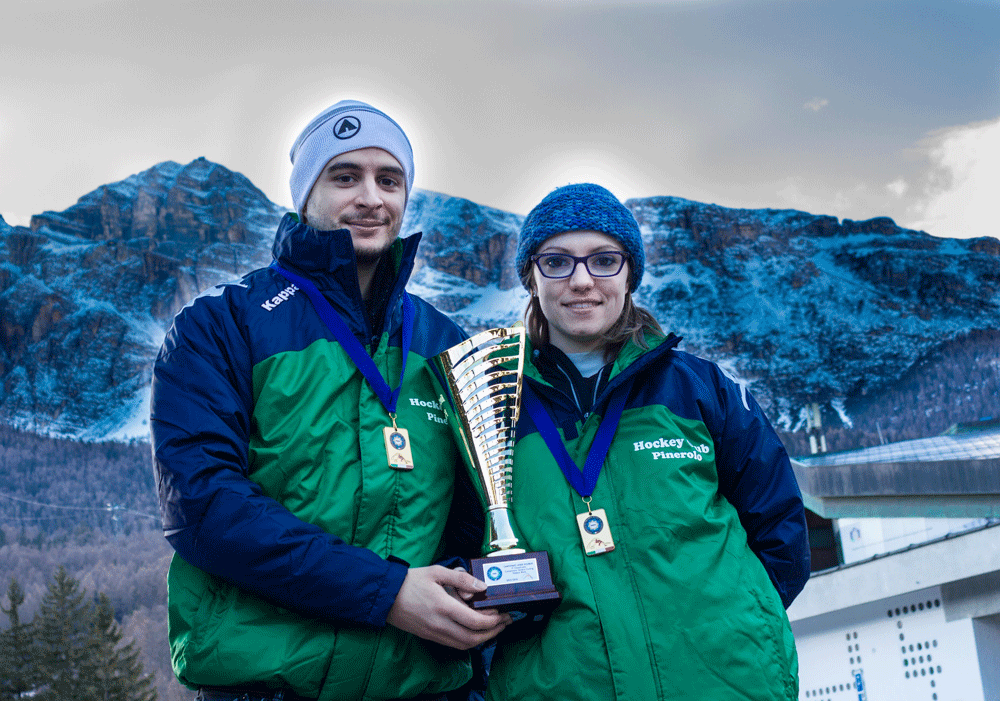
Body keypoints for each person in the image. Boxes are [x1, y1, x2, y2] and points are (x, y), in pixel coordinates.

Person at [150, 99, 508, 701]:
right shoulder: (220, 326)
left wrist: (489, 600)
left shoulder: (451, 346)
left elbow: (480, 519)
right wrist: (387, 593)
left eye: (388, 179)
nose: (371, 197)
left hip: (421, 688)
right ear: (305, 193)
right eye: (345, 176)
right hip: (267, 686)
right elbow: (204, 507)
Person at [484, 183, 811, 700]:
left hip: (725, 683)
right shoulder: (494, 410)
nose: (582, 280)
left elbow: (781, 529)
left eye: (604, 260)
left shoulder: (700, 390)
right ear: (531, 277)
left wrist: (741, 622)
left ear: (630, 273)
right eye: (557, 262)